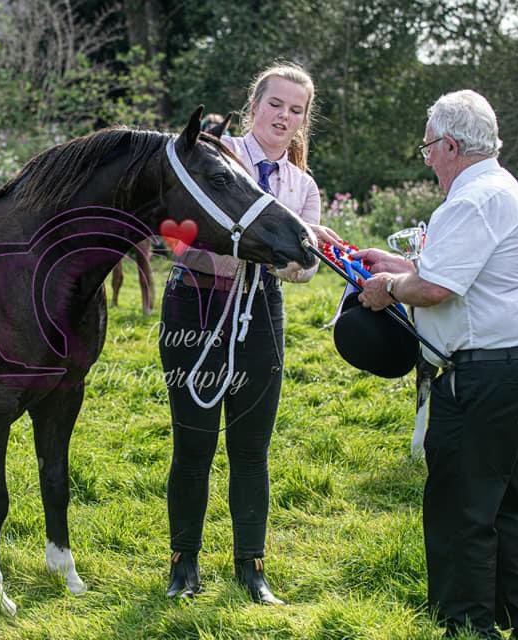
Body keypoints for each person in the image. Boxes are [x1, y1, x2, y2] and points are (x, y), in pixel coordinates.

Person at [355, 90, 518, 639]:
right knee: (500, 505)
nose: (426, 159)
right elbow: (463, 274)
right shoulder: (500, 188)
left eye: (428, 148)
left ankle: (467, 627)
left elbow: (437, 287)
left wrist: (388, 288)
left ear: (451, 144)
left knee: (460, 509)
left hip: (494, 374)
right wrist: (404, 266)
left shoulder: (472, 199)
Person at [160, 62, 340, 604]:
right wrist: (255, 250)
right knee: (193, 444)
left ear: (304, 121)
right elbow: (176, 237)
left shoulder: (302, 186)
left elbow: (305, 267)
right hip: (194, 306)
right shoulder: (215, 159)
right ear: (253, 105)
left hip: (262, 312)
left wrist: (287, 261)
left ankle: (251, 569)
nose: (284, 116)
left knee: (251, 449)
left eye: (296, 110)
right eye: (276, 104)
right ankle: (183, 565)